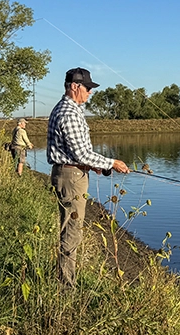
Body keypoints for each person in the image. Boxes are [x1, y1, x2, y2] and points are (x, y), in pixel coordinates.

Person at [47, 67, 130, 287]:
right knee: (72, 232)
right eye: (87, 88)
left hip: (72, 172)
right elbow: (80, 153)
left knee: (72, 229)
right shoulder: (69, 112)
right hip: (71, 177)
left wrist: (92, 166)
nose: (90, 92)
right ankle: (66, 287)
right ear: (75, 86)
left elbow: (75, 153)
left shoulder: (68, 110)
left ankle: (67, 282)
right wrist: (112, 163)